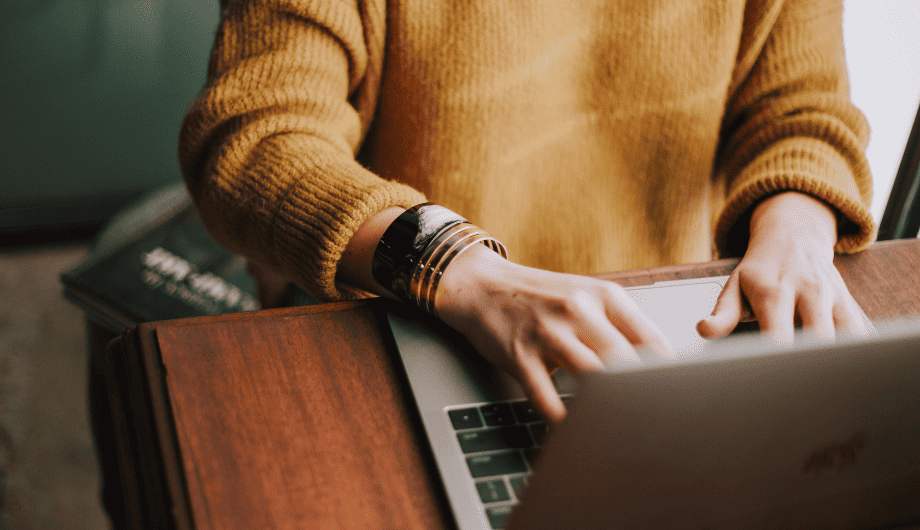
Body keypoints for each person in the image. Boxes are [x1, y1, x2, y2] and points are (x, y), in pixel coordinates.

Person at [178, 0, 875, 424]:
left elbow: (803, 112)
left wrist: (800, 222)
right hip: (398, 320)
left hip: (658, 341)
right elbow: (254, 138)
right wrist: (456, 267)